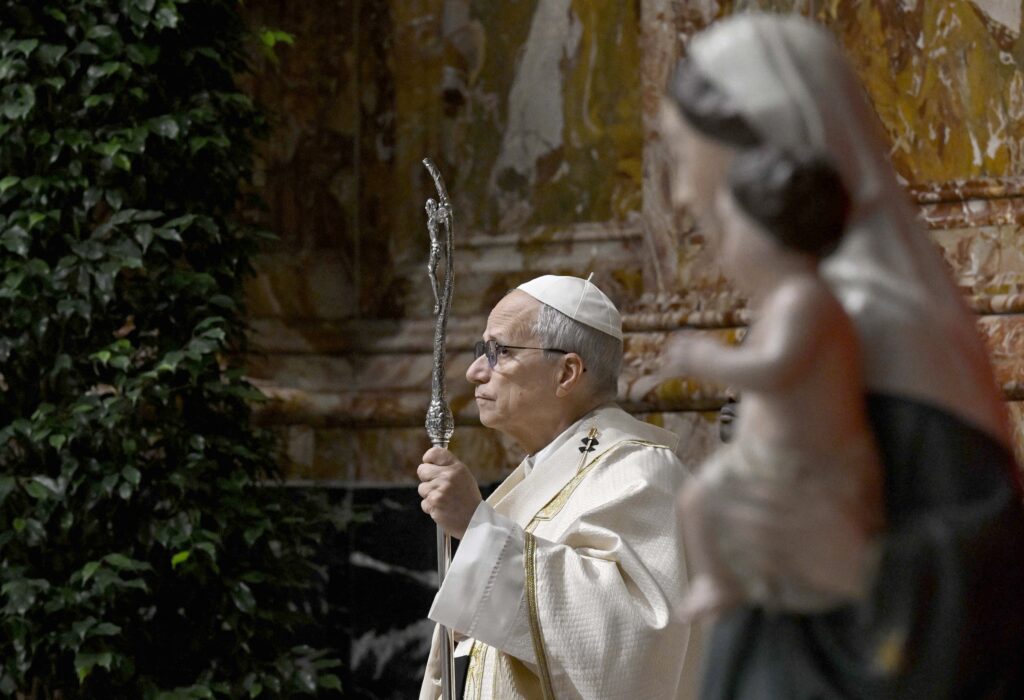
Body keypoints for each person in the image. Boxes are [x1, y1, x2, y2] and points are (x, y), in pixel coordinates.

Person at [651, 12, 1024, 699]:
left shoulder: (889, 327)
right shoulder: (810, 311)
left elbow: (993, 574)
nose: (678, 195)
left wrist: (861, 569)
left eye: (681, 154)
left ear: (760, 149)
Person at [417, 274, 697, 699]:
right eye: (482, 351)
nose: (475, 371)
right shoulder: (539, 475)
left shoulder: (642, 473)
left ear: (566, 372)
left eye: (500, 352)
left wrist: (478, 531)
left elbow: (637, 643)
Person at [640, 147, 884, 623]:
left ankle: (720, 581)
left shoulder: (805, 300)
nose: (722, 244)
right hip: (765, 458)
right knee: (696, 498)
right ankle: (715, 581)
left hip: (807, 462)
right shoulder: (778, 302)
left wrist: (711, 359)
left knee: (708, 499)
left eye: (732, 230)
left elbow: (775, 368)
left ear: (772, 235)